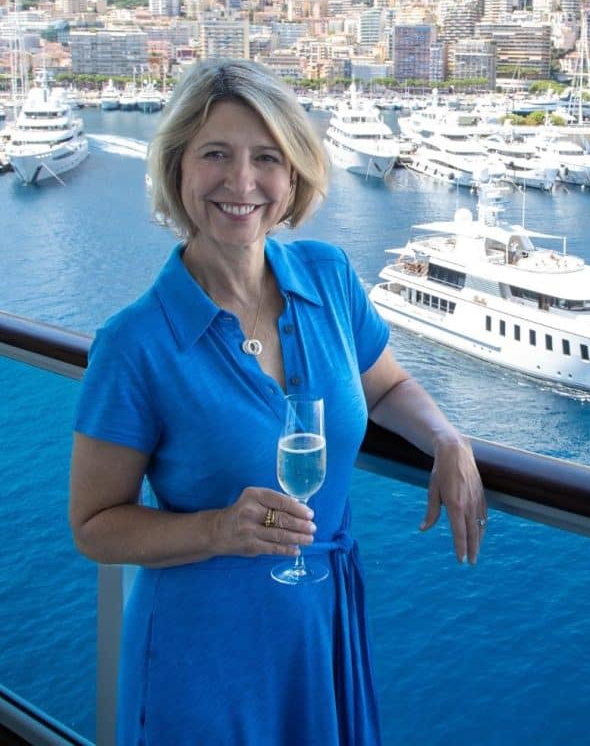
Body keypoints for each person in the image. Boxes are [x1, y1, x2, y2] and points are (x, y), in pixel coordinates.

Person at [69, 58, 486, 746]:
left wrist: (445, 438)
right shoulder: (135, 343)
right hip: (202, 655)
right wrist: (217, 530)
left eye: (266, 158)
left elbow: (385, 385)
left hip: (319, 627)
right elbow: (93, 526)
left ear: (293, 176)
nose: (241, 182)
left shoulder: (329, 277)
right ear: (177, 169)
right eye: (215, 154)